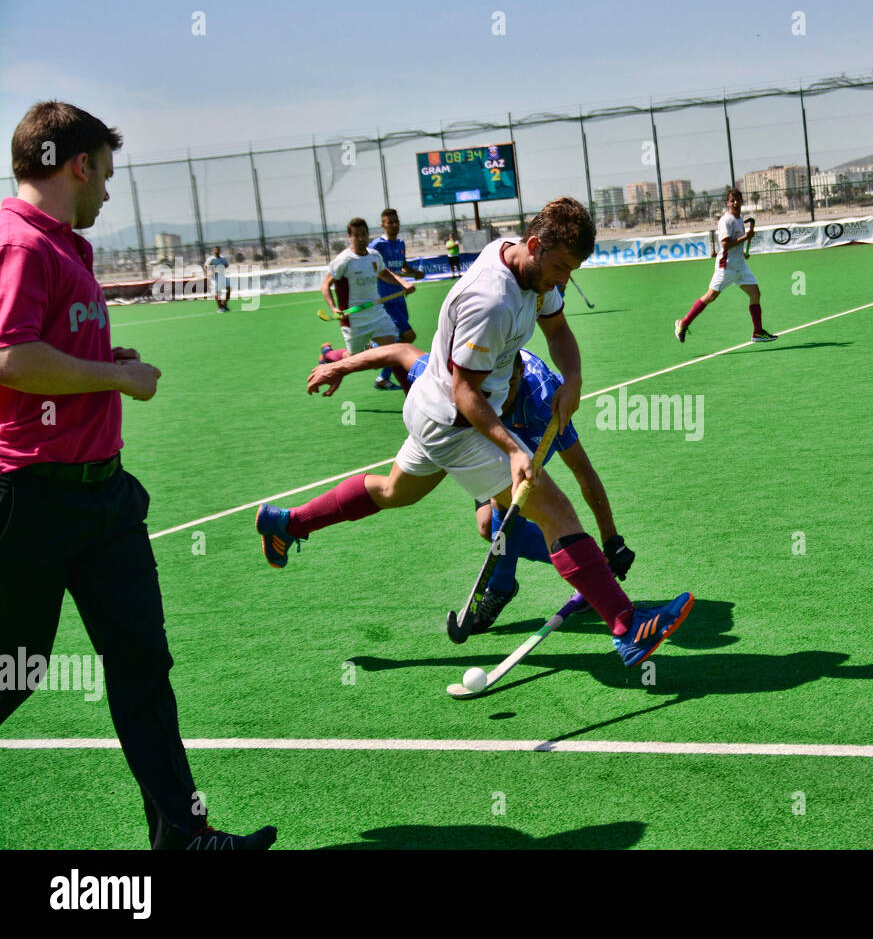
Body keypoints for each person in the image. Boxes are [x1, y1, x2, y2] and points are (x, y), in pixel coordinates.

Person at [0, 100, 275, 850]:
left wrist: (102, 368)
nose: (110, 194)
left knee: (142, 666)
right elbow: (12, 359)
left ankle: (184, 838)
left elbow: (51, 356)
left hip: (104, 498)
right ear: (77, 165)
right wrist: (116, 381)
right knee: (15, 674)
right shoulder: (21, 243)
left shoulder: (67, 246)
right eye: (107, 175)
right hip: (29, 499)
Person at [258, 198, 691, 667]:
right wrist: (510, 449)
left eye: (573, 270)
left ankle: (286, 523)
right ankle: (627, 626)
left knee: (391, 491)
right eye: (562, 267)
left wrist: (574, 378)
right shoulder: (492, 301)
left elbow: (559, 329)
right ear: (533, 246)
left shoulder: (531, 267)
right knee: (555, 511)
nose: (564, 280)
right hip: (455, 423)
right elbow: (466, 393)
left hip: (430, 407)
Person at [305, 343, 635, 630]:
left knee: (518, 503)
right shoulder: (458, 379)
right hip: (481, 439)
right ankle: (585, 570)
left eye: (506, 385)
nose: (499, 395)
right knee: (485, 527)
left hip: (526, 440)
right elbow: (400, 352)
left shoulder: (544, 403)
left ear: (517, 376)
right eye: (487, 388)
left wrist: (612, 538)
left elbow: (584, 472)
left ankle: (506, 587)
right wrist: (339, 366)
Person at [675, 188, 776, 344]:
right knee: (710, 297)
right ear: (727, 203)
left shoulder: (739, 219)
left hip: (740, 266)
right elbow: (725, 244)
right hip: (726, 267)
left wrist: (742, 253)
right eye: (732, 200)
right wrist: (746, 237)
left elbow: (736, 244)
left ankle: (758, 332)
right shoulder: (726, 221)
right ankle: (684, 322)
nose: (735, 203)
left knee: (755, 293)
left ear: (742, 201)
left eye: (737, 200)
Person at [321, 217, 414, 381]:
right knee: (353, 359)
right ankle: (328, 355)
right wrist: (334, 308)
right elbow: (325, 285)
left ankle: (411, 396)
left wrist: (402, 283)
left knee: (394, 351)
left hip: (377, 314)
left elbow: (383, 273)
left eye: (363, 234)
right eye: (357, 235)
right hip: (354, 319)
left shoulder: (374, 255)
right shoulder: (344, 260)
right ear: (350, 237)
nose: (361, 238)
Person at [368, 208, 423, 390]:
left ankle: (382, 378)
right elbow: (381, 270)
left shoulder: (400, 243)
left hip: (400, 298)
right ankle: (374, 347)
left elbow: (402, 265)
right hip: (385, 300)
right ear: (382, 225)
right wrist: (403, 282)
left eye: (396, 221)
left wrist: (414, 272)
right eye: (389, 222)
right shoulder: (377, 246)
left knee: (400, 341)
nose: (394, 225)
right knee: (408, 336)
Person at [204, 246, 230, 312]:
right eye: (215, 250)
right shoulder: (210, 259)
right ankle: (220, 308)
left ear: (219, 251)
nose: (216, 251)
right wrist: (212, 271)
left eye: (218, 250)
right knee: (217, 292)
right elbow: (205, 266)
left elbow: (227, 265)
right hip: (213, 277)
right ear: (213, 251)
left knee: (229, 289)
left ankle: (224, 304)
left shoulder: (223, 258)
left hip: (222, 276)